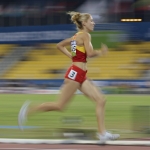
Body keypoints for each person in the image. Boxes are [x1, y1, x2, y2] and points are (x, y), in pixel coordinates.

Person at [18, 11, 120, 141]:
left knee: (100, 100)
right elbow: (89, 53)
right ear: (84, 23)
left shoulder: (75, 37)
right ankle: (27, 111)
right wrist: (101, 52)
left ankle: (102, 134)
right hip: (75, 74)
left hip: (81, 74)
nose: (93, 23)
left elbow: (59, 45)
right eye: (91, 21)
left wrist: (72, 56)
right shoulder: (85, 35)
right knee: (59, 106)